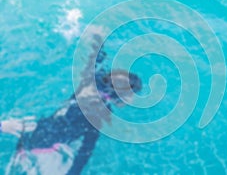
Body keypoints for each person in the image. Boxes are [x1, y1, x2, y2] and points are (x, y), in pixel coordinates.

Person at [6, 35, 142, 175]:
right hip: (44, 148)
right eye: (131, 95)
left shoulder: (92, 80)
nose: (132, 99)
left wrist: (98, 40)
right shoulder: (101, 114)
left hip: (32, 132)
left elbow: (94, 60)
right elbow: (86, 150)